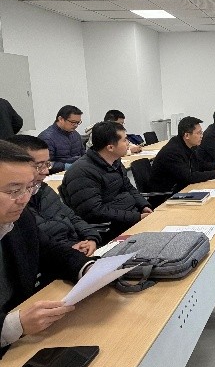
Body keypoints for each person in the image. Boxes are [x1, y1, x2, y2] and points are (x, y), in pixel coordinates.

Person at [0, 140, 92, 355]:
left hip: (22, 339)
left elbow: (50, 251)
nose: (24, 199)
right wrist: (14, 325)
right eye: (14, 190)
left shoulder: (20, 220)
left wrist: (88, 268)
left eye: (29, 188)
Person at [5, 136, 100, 257]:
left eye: (47, 164)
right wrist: (69, 251)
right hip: (58, 257)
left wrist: (91, 238)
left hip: (76, 250)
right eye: (39, 166)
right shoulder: (13, 206)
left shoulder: (44, 189)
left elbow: (72, 217)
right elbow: (37, 248)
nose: (46, 171)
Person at [59, 121, 152, 244]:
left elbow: (129, 187)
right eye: (125, 140)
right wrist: (136, 217)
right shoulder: (82, 172)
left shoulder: (115, 161)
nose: (128, 143)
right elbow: (94, 211)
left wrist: (144, 206)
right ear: (110, 147)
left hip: (131, 217)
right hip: (113, 228)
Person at [149, 116, 215, 194]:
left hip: (182, 188)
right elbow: (189, 177)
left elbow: (199, 164)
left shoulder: (189, 145)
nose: (202, 136)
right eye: (198, 133)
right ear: (187, 135)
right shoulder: (172, 152)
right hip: (167, 195)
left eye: (201, 132)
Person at [38, 105, 85, 173]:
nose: (76, 125)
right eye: (73, 122)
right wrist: (66, 166)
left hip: (77, 171)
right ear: (60, 119)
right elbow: (45, 164)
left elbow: (83, 154)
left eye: (78, 122)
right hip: (57, 174)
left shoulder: (75, 134)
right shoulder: (47, 138)